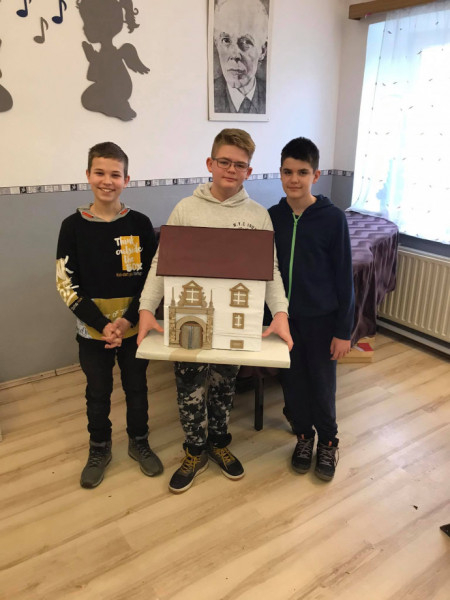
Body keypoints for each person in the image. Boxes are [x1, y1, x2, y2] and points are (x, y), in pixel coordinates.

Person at [138, 128, 292, 494]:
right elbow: (162, 262)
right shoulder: (186, 209)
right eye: (224, 162)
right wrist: (146, 308)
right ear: (210, 163)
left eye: (239, 165)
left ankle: (219, 442)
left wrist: (281, 313)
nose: (231, 170)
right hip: (190, 315)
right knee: (189, 386)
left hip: (234, 322)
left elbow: (270, 270)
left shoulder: (257, 216)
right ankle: (194, 450)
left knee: (224, 386)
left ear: (248, 171)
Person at [56, 141, 163, 489]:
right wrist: (103, 325)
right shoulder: (72, 226)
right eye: (100, 173)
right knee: (98, 392)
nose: (107, 181)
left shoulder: (140, 224)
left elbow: (153, 279)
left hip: (133, 329)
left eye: (115, 174)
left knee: (137, 388)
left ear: (126, 179)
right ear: (88, 175)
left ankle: (139, 441)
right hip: (93, 332)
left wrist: (128, 320)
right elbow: (65, 283)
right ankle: (99, 447)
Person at [268, 137, 355, 481]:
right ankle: (304, 437)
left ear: (315, 175)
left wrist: (343, 331)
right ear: (280, 173)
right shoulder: (273, 216)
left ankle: (329, 441)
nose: (294, 179)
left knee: (321, 385)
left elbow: (345, 278)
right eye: (288, 171)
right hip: (285, 321)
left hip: (322, 321)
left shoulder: (333, 219)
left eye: (302, 172)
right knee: (293, 384)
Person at [213, 0, 268, 114]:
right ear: (217, 45)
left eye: (246, 42)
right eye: (226, 40)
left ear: (262, 51)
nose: (235, 55)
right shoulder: (207, 94)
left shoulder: (273, 96)